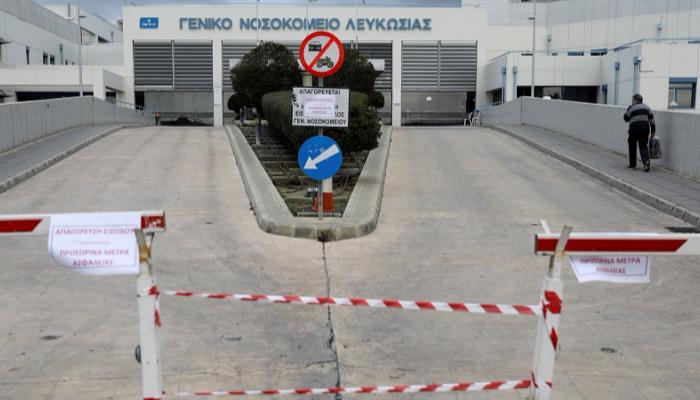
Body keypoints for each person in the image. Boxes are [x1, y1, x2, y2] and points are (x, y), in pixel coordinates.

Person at [623, 93, 656, 172]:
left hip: (634, 128)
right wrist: (653, 132)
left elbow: (626, 118)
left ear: (636, 100)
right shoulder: (647, 108)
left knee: (632, 144)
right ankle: (646, 162)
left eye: (632, 100)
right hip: (645, 128)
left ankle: (632, 164)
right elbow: (652, 121)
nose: (632, 101)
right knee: (643, 145)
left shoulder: (631, 107)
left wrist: (630, 115)